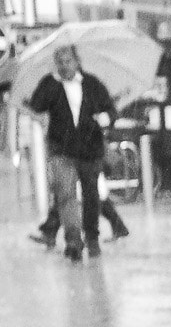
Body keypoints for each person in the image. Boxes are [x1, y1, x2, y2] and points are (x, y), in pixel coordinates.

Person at [26, 45, 122, 261]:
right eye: (59, 61)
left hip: (90, 151)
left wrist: (106, 118)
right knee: (66, 196)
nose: (63, 65)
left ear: (77, 61)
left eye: (67, 60)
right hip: (62, 151)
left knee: (91, 198)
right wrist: (50, 83)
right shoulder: (51, 84)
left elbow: (111, 109)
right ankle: (73, 242)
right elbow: (36, 105)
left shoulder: (92, 84)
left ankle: (92, 238)